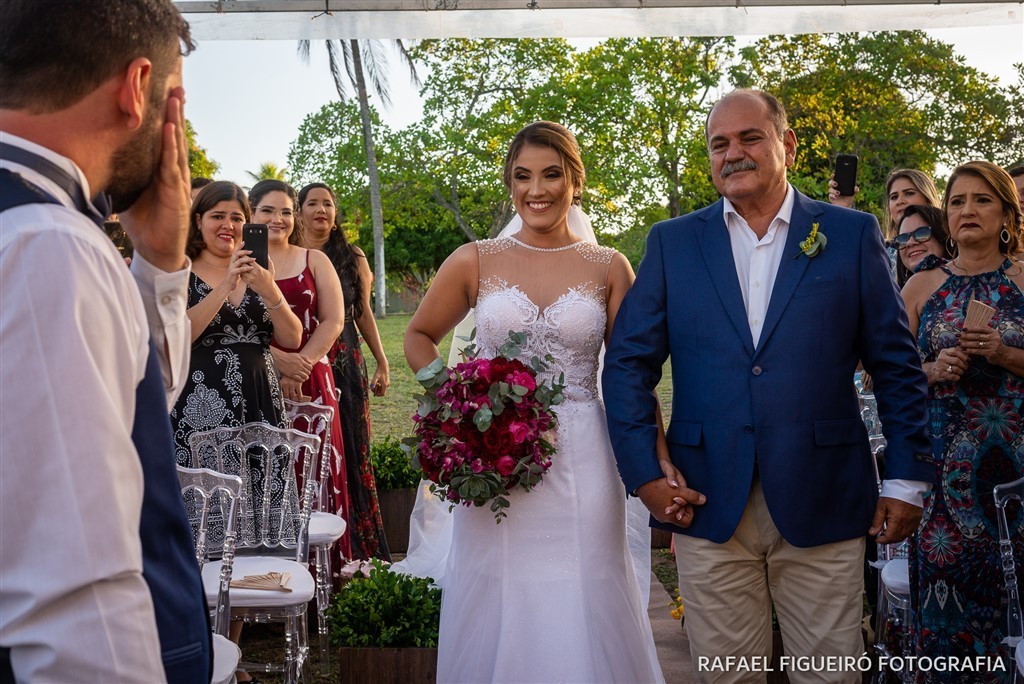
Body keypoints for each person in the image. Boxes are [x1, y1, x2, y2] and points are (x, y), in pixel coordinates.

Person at [603, 89, 936, 683]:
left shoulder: (850, 234)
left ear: (787, 144)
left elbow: (895, 364)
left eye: (749, 137)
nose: (733, 153)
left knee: (830, 673)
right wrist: (645, 475)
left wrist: (908, 479)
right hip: (705, 500)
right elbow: (628, 363)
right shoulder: (672, 243)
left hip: (824, 494)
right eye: (718, 143)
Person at [404, 121, 664, 683]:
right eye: (522, 177)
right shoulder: (476, 258)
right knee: (499, 584)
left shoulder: (610, 266)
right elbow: (419, 336)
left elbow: (630, 374)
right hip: (495, 458)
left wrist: (656, 458)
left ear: (576, 181)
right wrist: (456, 406)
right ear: (509, 183)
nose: (536, 190)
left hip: (584, 453)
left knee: (587, 580)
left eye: (551, 175)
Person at [0, 1, 212, 681]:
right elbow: (75, 604)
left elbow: (119, 412)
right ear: (137, 87)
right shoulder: (47, 244)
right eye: (176, 96)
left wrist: (157, 262)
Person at [900, 160, 1023, 681]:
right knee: (945, 622)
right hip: (943, 486)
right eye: (956, 201)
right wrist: (928, 370)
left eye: (981, 200)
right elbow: (885, 374)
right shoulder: (921, 288)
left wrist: (1004, 354)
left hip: (1018, 477)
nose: (967, 210)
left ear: (1007, 217)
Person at [170, 180, 302, 464]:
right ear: (198, 219)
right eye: (217, 216)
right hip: (201, 406)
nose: (227, 225)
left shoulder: (259, 270)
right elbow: (178, 337)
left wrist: (269, 288)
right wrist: (226, 285)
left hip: (262, 402)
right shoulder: (181, 269)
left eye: (236, 218)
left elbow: (292, 338)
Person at [253, 179, 352, 559]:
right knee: (271, 475)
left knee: (315, 475)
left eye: (285, 211)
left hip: (312, 380)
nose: (277, 219)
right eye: (267, 210)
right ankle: (270, 585)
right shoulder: (240, 261)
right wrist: (278, 363)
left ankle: (323, 581)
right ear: (252, 214)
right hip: (258, 380)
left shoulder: (315, 260)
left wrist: (301, 366)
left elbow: (333, 321)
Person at [299, 181, 391, 561]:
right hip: (302, 359)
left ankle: (361, 547)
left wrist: (382, 360)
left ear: (335, 213)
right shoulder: (288, 254)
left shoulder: (351, 256)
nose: (321, 209)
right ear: (299, 209)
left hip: (346, 360)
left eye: (328, 204)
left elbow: (362, 313)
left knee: (353, 447)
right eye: (313, 203)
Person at [893, 203, 951, 287]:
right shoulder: (896, 297)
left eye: (921, 233)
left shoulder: (971, 287)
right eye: (903, 238)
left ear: (942, 235)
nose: (910, 243)